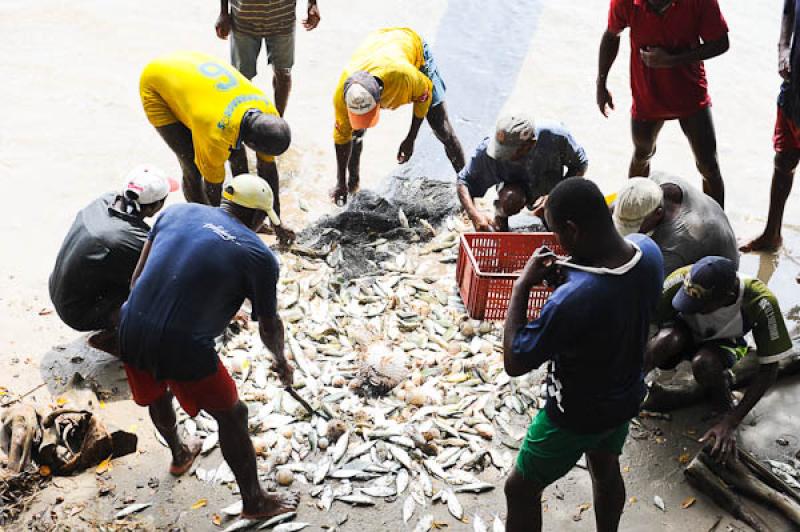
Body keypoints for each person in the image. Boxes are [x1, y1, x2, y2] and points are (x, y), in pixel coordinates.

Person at [119, 174, 298, 520]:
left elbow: (135, 280)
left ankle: (180, 454)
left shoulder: (175, 213)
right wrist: (281, 360)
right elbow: (269, 324)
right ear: (259, 218)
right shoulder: (260, 256)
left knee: (158, 394)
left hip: (130, 326)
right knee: (233, 415)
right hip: (183, 347)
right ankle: (254, 501)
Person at [503, 177, 664, 532]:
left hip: (574, 415)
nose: (558, 243)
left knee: (520, 487)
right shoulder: (648, 254)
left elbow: (515, 361)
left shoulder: (573, 299)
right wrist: (570, 277)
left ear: (572, 230)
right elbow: (613, 287)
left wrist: (521, 288)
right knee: (605, 468)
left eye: (558, 234)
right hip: (623, 399)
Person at [646, 257, 794, 462]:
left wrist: (731, 421)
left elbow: (770, 367)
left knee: (705, 363)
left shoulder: (760, 302)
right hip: (682, 330)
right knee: (664, 341)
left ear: (727, 296)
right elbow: (649, 322)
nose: (692, 306)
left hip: (724, 341)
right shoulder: (682, 279)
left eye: (701, 304)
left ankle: (723, 405)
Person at [139, 51, 295, 243]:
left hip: (193, 73)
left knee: (236, 155)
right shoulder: (216, 136)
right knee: (192, 165)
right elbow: (213, 190)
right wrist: (226, 233)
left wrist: (276, 222)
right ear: (252, 144)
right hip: (158, 83)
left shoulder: (269, 114)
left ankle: (241, 217)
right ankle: (201, 230)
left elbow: (268, 171)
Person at [597, 0, 730, 207]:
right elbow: (612, 35)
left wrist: (672, 60)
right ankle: (631, 215)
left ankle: (721, 228)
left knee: (708, 165)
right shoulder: (626, 3)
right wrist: (601, 83)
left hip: (691, 93)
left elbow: (721, 43)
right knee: (642, 153)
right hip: (647, 95)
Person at [49, 165, 176, 355]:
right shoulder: (128, 239)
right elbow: (165, 277)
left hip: (58, 289)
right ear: (155, 207)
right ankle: (118, 340)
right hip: (76, 312)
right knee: (160, 296)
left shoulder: (106, 199)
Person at [331, 27, 465, 205]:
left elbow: (424, 95)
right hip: (378, 44)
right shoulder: (343, 95)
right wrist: (340, 183)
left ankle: (468, 187)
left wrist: (411, 139)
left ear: (381, 97)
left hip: (411, 46)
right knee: (356, 134)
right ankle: (352, 185)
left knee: (441, 127)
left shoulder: (404, 78)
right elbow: (342, 140)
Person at [457, 114, 588, 232]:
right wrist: (474, 215)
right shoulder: (487, 149)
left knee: (564, 221)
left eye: (509, 153)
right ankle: (501, 219)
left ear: (530, 144)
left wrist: (556, 195)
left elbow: (580, 164)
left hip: (549, 186)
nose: (503, 156)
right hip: (513, 189)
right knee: (511, 199)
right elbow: (463, 181)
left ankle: (550, 216)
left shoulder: (556, 136)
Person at [741, 0, 800, 253]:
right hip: (794, 89)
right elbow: (788, 9)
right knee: (784, 161)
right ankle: (772, 234)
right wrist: (783, 47)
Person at [613, 175, 738, 276]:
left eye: (636, 226)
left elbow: (652, 293)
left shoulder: (678, 243)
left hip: (714, 277)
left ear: (658, 213)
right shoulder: (653, 182)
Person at [214, 0, 321, 116]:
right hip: (243, 20)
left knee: (283, 73)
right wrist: (223, 12)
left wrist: (312, 4)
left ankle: (278, 120)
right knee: (242, 78)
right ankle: (242, 121)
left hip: (282, 19)